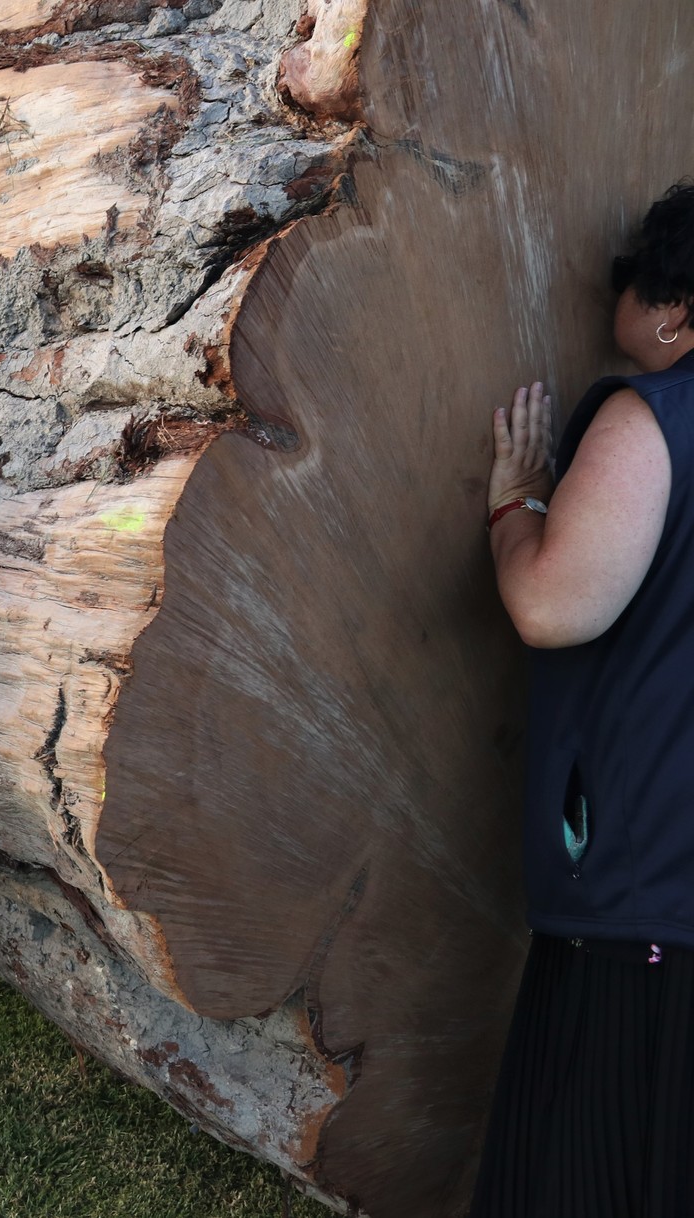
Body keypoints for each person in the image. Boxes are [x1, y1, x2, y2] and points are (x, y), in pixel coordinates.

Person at [473, 180, 694, 1215]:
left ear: (676, 307)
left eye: (630, 277)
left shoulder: (655, 414)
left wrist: (518, 504)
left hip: (643, 929)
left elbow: (553, 605)